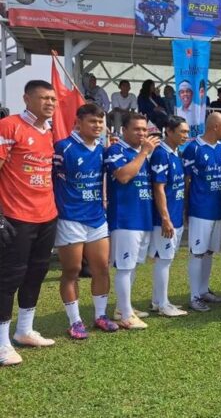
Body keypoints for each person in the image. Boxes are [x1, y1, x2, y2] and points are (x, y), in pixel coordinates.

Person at [0, 80, 57, 366]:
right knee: (8, 278)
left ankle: (24, 331)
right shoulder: (9, 126)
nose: (50, 103)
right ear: (27, 99)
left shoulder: (49, 131)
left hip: (46, 216)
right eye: (44, 98)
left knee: (36, 274)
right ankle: (1, 344)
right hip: (16, 216)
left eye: (53, 99)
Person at [54, 104, 119, 340]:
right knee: (71, 270)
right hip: (70, 218)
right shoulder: (63, 147)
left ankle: (100, 316)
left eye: (100, 123)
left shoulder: (103, 150)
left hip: (96, 218)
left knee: (101, 268)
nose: (97, 126)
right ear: (78, 123)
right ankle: (75, 321)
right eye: (93, 122)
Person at [105, 113, 159, 329]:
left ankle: (122, 307)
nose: (142, 134)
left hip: (143, 217)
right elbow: (123, 176)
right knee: (124, 267)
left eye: (144, 130)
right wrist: (144, 152)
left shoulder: (143, 154)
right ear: (124, 130)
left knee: (133, 265)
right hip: (125, 219)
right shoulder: (116, 150)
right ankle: (126, 315)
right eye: (137, 129)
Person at [183, 112, 221, 312]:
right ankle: (194, 296)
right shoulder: (193, 148)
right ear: (215, 126)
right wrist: (186, 207)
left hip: (219, 208)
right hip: (200, 209)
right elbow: (186, 180)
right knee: (197, 253)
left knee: (208, 252)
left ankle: (204, 290)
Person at [148, 116, 189, 317]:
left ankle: (158, 301)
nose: (186, 136)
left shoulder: (175, 153)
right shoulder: (160, 154)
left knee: (165, 259)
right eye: (182, 132)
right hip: (165, 219)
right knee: (164, 259)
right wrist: (165, 218)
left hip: (175, 216)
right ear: (169, 131)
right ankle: (163, 304)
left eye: (187, 132)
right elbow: (159, 188)